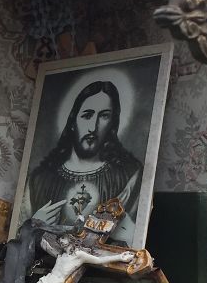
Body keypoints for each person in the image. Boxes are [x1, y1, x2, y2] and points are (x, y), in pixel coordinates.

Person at [26, 80, 142, 229]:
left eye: (104, 116)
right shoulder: (39, 180)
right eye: (87, 115)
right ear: (73, 121)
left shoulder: (128, 177)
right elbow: (19, 234)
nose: (93, 128)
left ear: (112, 123)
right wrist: (34, 225)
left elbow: (128, 234)